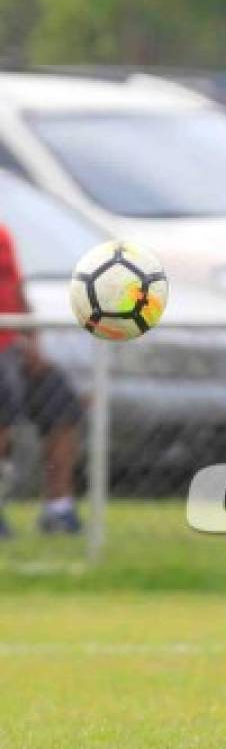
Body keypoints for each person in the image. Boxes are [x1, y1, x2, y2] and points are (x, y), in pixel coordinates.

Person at [0, 224, 83, 537]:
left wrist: (33, 344)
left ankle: (58, 510)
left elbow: (17, 291)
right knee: (3, 394)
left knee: (61, 401)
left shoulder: (4, 235)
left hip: (9, 347)